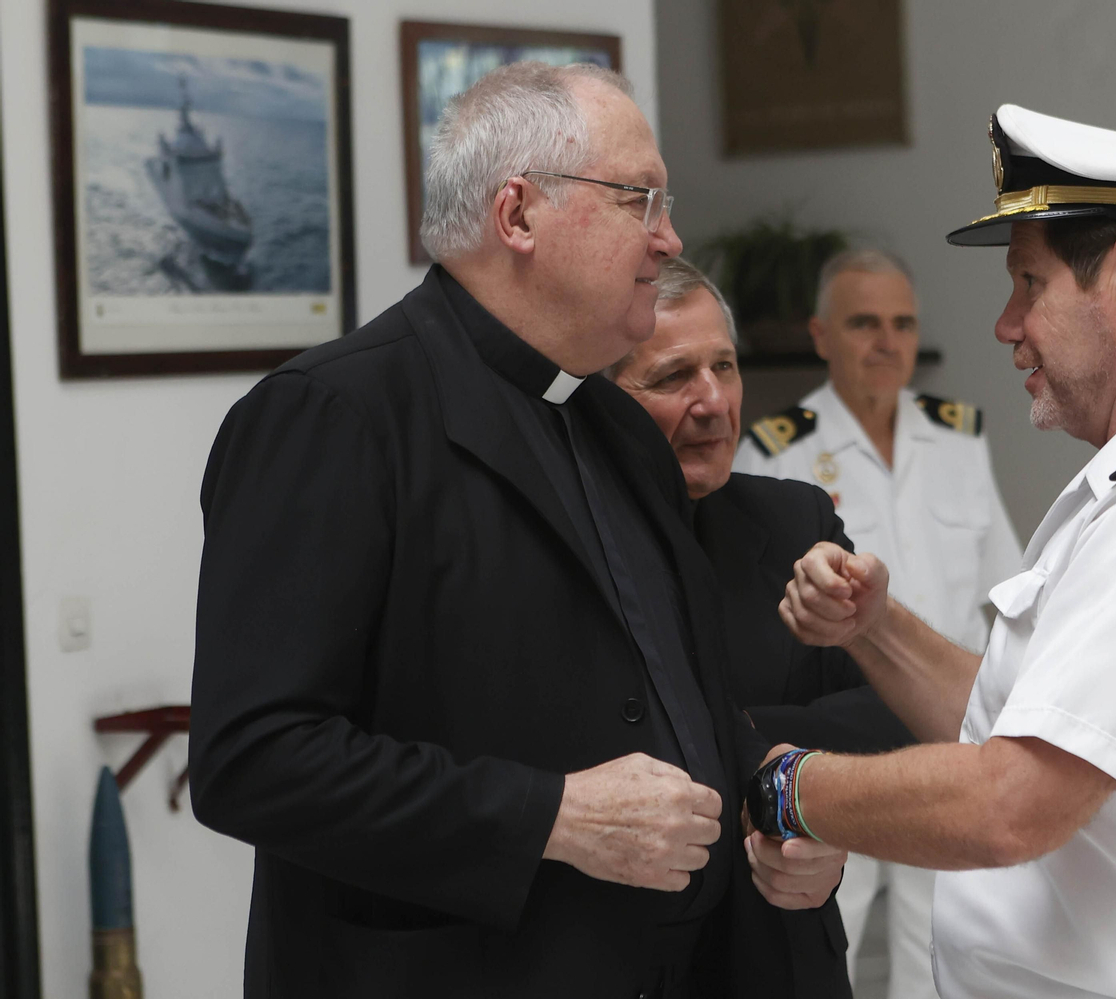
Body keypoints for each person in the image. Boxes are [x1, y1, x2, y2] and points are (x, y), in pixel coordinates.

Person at [187, 62, 841, 999]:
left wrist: (777, 806)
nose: (670, 238)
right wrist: (552, 815)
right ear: (519, 214)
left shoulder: (613, 424)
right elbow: (252, 760)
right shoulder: (336, 416)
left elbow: (680, 691)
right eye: (640, 200)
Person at [762, 104, 1116, 999]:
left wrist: (793, 785)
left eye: (1030, 284)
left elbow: (1012, 801)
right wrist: (878, 629)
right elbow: (1019, 721)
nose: (1005, 324)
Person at [607, 255, 917, 998]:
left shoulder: (792, 521)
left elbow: (889, 710)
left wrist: (719, 737)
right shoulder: (571, 539)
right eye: (674, 376)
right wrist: (790, 745)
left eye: (725, 366)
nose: (713, 401)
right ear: (600, 399)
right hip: (624, 954)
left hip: (782, 950)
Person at [734, 248, 1022, 999]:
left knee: (941, 944)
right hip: (835, 739)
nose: (887, 341)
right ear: (821, 334)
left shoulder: (958, 439)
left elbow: (1005, 591)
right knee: (828, 930)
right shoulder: (775, 451)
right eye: (864, 322)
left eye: (902, 323)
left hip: (941, 737)